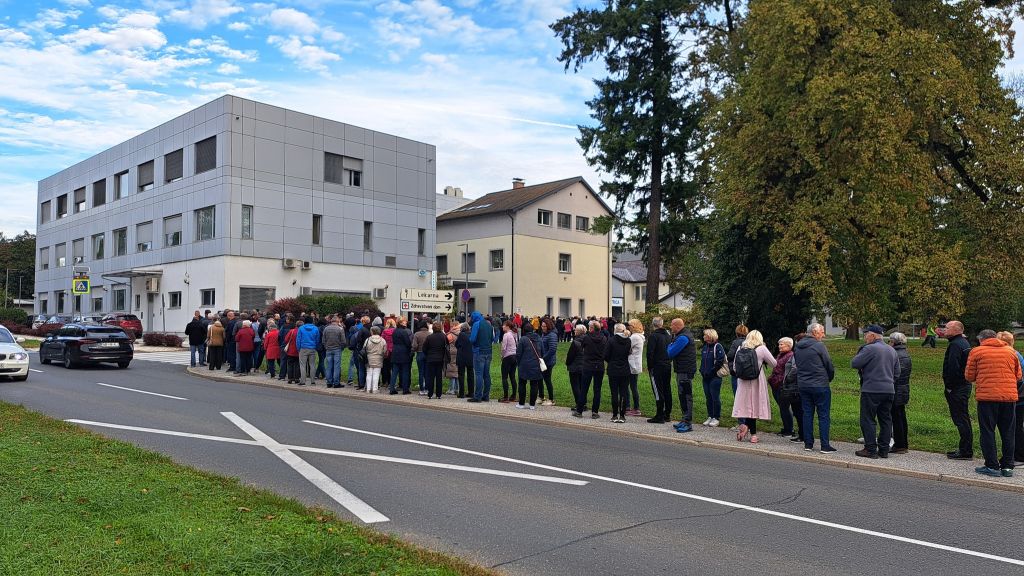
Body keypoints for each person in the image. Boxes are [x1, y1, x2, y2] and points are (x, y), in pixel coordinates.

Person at [966, 329, 1021, 477]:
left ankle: (991, 465)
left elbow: (969, 376)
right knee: (1008, 432)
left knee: (988, 431)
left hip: (987, 397)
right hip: (1009, 397)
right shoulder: (1011, 352)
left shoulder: (977, 351)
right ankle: (1008, 466)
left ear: (981, 339)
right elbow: (1018, 375)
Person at [851, 325, 900, 458]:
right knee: (886, 420)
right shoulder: (891, 350)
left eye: (866, 334)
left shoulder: (869, 349)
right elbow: (897, 373)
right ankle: (884, 450)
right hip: (889, 389)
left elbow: (854, 363)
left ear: (872, 335)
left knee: (868, 419)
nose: (865, 337)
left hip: (871, 389)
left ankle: (870, 449)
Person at [793, 323, 837, 453]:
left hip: (803, 384)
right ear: (814, 332)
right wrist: (828, 378)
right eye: (821, 332)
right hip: (819, 384)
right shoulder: (819, 345)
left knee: (807, 414)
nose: (823, 335)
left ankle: (808, 443)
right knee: (823, 415)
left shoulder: (798, 346)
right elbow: (828, 364)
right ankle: (824, 445)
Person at [730, 330, 776, 443]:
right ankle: (753, 435)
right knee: (754, 406)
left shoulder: (740, 348)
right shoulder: (761, 349)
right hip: (757, 380)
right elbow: (774, 363)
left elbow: (735, 367)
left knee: (747, 406)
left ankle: (745, 425)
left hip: (743, 381)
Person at [941, 320, 974, 460]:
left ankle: (966, 450)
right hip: (963, 385)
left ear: (956, 330)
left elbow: (953, 367)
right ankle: (965, 448)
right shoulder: (964, 343)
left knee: (961, 419)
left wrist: (949, 386)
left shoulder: (955, 345)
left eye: (947, 328)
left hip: (957, 387)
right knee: (963, 418)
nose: (944, 330)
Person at [995, 332, 1024, 465]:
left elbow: (1018, 378)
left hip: (1016, 396)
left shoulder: (1011, 355)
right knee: (1016, 426)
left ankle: (1016, 456)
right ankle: (1016, 455)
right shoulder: (1016, 354)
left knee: (1014, 427)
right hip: (1018, 395)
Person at [767, 336, 801, 440]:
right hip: (776, 384)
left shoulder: (790, 355)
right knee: (783, 408)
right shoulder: (781, 355)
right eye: (779, 344)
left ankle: (789, 430)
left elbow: (791, 371)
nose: (779, 346)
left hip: (783, 385)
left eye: (781, 344)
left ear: (789, 345)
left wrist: (784, 381)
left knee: (785, 408)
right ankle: (787, 428)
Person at [667, 317, 697, 432]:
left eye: (672, 325)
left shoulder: (683, 338)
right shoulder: (681, 336)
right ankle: (684, 419)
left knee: (686, 396)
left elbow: (670, 353)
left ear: (677, 326)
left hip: (685, 370)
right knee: (682, 395)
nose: (670, 327)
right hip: (682, 369)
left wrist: (670, 344)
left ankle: (688, 423)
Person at [577, 320, 608, 419]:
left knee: (584, 389)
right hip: (599, 366)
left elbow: (582, 348)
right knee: (597, 389)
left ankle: (579, 411)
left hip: (588, 365)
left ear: (591, 328)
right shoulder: (604, 338)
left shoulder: (586, 338)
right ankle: (595, 411)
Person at [888, 332, 912, 453]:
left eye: (890, 341)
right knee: (901, 417)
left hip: (896, 389)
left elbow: (894, 374)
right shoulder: (905, 353)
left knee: (896, 418)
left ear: (893, 342)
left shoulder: (895, 354)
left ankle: (899, 444)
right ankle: (903, 443)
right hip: (903, 389)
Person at [646, 317, 673, 424]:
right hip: (667, 365)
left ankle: (659, 415)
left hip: (657, 366)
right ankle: (667, 414)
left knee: (658, 390)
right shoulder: (668, 335)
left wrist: (650, 366)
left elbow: (650, 353)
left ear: (653, 324)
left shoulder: (653, 336)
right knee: (667, 389)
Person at [605, 323, 633, 423]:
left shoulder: (611, 340)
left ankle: (614, 414)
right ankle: (622, 415)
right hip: (625, 368)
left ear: (615, 330)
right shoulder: (628, 340)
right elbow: (629, 353)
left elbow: (606, 355)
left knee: (614, 392)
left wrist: (611, 361)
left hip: (613, 369)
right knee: (623, 393)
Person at [699, 329, 726, 427]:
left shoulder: (717, 346)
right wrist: (701, 370)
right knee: (708, 397)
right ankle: (710, 416)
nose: (703, 337)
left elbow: (720, 360)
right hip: (705, 377)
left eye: (705, 335)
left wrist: (712, 371)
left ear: (710, 336)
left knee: (715, 397)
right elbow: (703, 360)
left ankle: (716, 417)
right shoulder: (705, 347)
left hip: (714, 377)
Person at [515, 323, 544, 410]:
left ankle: (521, 403)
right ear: (533, 330)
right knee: (534, 384)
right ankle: (532, 404)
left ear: (524, 330)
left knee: (522, 383)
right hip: (536, 364)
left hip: (524, 364)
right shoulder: (539, 338)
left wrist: (518, 363)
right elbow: (542, 351)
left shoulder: (523, 339)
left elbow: (518, 353)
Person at [470, 311, 495, 402]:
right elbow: (493, 338)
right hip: (489, 352)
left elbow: (472, 339)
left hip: (479, 352)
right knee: (486, 374)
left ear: (474, 317)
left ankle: (477, 396)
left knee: (479, 374)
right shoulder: (489, 325)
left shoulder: (476, 324)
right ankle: (486, 396)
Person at [625, 319, 645, 417]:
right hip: (634, 363)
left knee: (631, 386)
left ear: (633, 327)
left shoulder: (634, 337)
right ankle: (632, 407)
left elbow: (626, 348)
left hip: (632, 364)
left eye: (629, 326)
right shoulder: (639, 336)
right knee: (632, 386)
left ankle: (633, 407)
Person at [423, 321, 448, 399]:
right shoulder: (444, 336)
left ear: (433, 328)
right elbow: (446, 346)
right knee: (439, 377)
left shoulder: (429, 337)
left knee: (431, 377)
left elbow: (424, 348)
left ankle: (430, 394)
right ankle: (438, 394)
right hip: (440, 359)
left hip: (430, 359)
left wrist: (428, 354)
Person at [322, 316, 347, 388]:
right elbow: (344, 341)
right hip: (337, 349)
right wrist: (341, 348)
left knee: (329, 366)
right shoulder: (340, 329)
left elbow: (323, 340)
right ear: (337, 321)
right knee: (336, 366)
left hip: (328, 349)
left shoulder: (326, 328)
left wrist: (326, 347)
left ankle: (329, 382)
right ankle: (336, 383)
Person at [566, 325, 586, 415]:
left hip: (575, 366)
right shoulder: (587, 340)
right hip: (584, 366)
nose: (574, 331)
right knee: (582, 386)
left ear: (579, 332)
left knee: (575, 386)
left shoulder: (576, 342)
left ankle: (579, 404)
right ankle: (583, 403)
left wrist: (567, 363)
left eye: (576, 330)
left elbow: (570, 356)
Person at [390, 317, 413, 395]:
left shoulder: (394, 331)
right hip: (404, 353)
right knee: (405, 371)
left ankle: (392, 388)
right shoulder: (404, 332)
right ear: (400, 322)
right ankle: (405, 389)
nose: (405, 323)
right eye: (404, 322)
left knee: (394, 372)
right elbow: (408, 343)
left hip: (395, 352)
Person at [539, 318, 558, 406]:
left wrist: (543, 359)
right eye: (542, 326)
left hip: (548, 361)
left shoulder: (552, 335)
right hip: (543, 360)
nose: (543, 328)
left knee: (547, 379)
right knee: (539, 378)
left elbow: (552, 350)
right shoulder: (544, 334)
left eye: (544, 326)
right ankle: (541, 397)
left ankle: (551, 399)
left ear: (549, 326)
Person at [296, 316, 320, 386]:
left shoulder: (301, 328)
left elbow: (298, 339)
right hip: (312, 348)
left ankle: (303, 381)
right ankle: (313, 381)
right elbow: (317, 339)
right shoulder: (316, 328)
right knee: (312, 365)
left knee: (302, 365)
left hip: (303, 348)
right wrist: (315, 346)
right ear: (312, 321)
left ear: (305, 321)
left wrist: (298, 348)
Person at [363, 326, 387, 394]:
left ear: (372, 331)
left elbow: (364, 348)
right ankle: (375, 389)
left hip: (369, 358)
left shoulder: (368, 339)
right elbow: (385, 350)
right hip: (379, 358)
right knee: (376, 374)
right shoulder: (382, 340)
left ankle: (368, 389)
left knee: (369, 374)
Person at [452, 322, 474, 399]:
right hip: (471, 357)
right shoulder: (471, 334)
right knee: (470, 375)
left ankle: (461, 393)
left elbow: (456, 344)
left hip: (462, 357)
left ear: (462, 328)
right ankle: (471, 392)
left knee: (461, 375)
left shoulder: (461, 335)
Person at [500, 321, 519, 402]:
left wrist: (502, 356)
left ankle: (505, 397)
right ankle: (514, 396)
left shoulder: (506, 335)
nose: (502, 326)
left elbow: (504, 348)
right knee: (512, 377)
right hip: (514, 356)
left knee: (504, 377)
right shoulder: (514, 334)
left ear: (507, 326)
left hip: (507, 357)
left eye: (503, 325)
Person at [412, 319, 430, 395]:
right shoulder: (430, 334)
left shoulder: (417, 334)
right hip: (428, 354)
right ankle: (427, 388)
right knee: (427, 372)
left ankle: (421, 390)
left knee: (421, 372)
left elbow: (414, 345)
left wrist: (413, 350)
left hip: (419, 353)